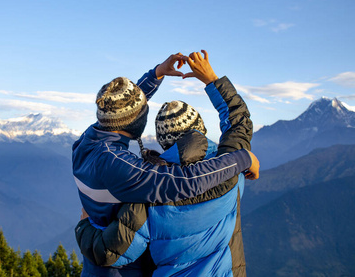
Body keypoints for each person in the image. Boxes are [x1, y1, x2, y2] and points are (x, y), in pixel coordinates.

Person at [72, 52, 259, 276]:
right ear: (200, 129)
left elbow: (121, 113)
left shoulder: (87, 142)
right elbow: (185, 180)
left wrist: (156, 74)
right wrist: (241, 157)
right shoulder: (134, 175)